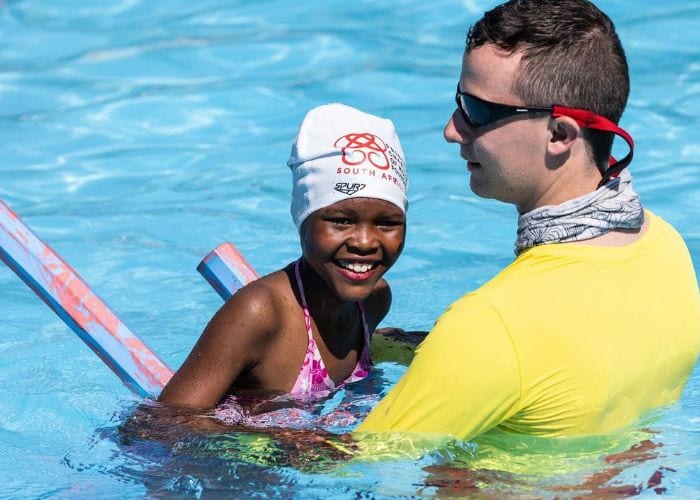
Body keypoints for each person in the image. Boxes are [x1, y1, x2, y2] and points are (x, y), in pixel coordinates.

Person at [357, 0, 700, 440]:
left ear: (560, 135)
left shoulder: (490, 327)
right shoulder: (665, 248)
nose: (451, 129)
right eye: (460, 101)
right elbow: (565, 357)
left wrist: (248, 413)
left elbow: (340, 468)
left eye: (477, 112)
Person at [158, 103, 409, 422]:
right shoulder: (260, 313)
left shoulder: (374, 301)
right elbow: (159, 423)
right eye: (341, 221)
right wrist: (277, 445)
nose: (365, 242)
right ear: (302, 221)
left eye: (387, 223)